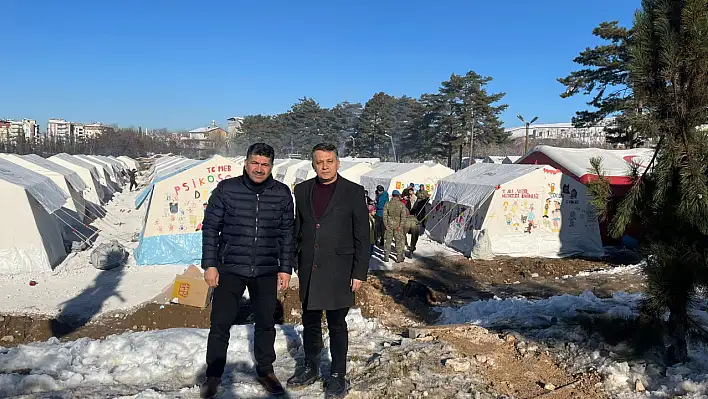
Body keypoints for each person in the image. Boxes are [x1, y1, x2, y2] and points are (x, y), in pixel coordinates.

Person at [199, 143, 294, 399]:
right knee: (220, 324)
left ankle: (266, 371)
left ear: (271, 166)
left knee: (266, 323)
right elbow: (210, 228)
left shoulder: (282, 193)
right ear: (246, 162)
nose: (259, 168)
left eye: (265, 164)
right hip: (230, 266)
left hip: (266, 268)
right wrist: (210, 264)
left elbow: (287, 234)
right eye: (255, 162)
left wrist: (285, 269)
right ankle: (214, 374)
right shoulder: (227, 189)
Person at [290, 143, 370, 398]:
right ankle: (311, 365)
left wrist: (359, 272)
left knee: (337, 324)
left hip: (340, 269)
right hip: (310, 268)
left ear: (338, 163)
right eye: (319, 162)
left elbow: (362, 236)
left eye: (329, 161)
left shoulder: (353, 192)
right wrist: (294, 259)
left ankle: (337, 374)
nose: (324, 166)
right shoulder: (302, 190)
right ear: (313, 164)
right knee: (310, 321)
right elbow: (298, 228)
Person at [383, 190, 408, 263]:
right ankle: (398, 257)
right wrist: (401, 226)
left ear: (392, 195)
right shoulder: (402, 205)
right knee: (398, 242)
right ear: (398, 196)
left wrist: (386, 225)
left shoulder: (387, 204)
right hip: (398, 226)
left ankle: (386, 257)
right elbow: (403, 217)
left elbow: (384, 215)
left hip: (389, 225)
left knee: (388, 242)